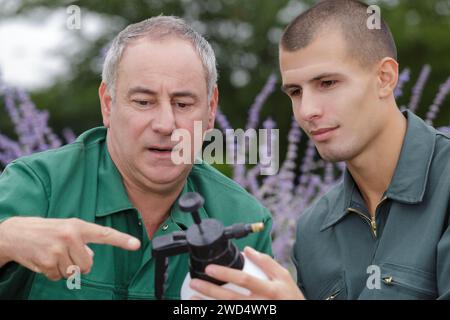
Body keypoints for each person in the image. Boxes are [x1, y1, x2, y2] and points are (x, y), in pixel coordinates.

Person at [189, 0, 450, 300]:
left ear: (385, 78)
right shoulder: (313, 231)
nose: (307, 110)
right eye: (296, 92)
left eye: (327, 83)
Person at [0, 16, 273, 299]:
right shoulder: (38, 187)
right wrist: (5, 241)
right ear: (108, 104)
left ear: (210, 110)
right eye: (143, 102)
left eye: (183, 104)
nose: (165, 124)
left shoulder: (246, 218)